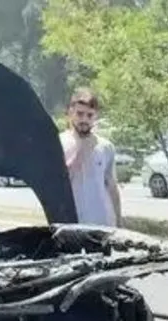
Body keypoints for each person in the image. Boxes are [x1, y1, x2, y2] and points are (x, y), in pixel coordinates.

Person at [60, 87, 122, 227]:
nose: (84, 120)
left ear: (96, 116)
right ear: (70, 113)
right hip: (71, 224)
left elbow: (112, 186)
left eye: (89, 115)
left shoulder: (106, 147)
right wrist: (82, 149)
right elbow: (58, 182)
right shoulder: (59, 143)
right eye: (80, 114)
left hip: (102, 224)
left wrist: (118, 221)